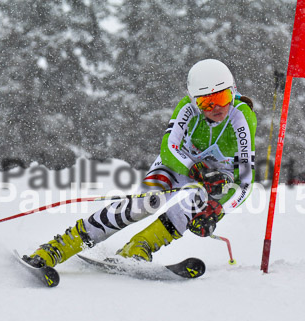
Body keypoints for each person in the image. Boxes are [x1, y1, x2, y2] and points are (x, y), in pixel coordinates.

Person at [23, 59, 257, 268]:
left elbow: (245, 180)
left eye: (223, 98)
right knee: (143, 204)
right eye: (207, 103)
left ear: (233, 92)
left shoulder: (241, 116)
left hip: (217, 177)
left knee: (192, 206)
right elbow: (168, 149)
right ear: (194, 102)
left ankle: (138, 247)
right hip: (180, 164)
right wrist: (193, 169)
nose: (216, 108)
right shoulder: (186, 109)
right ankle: (57, 248)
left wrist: (218, 210)